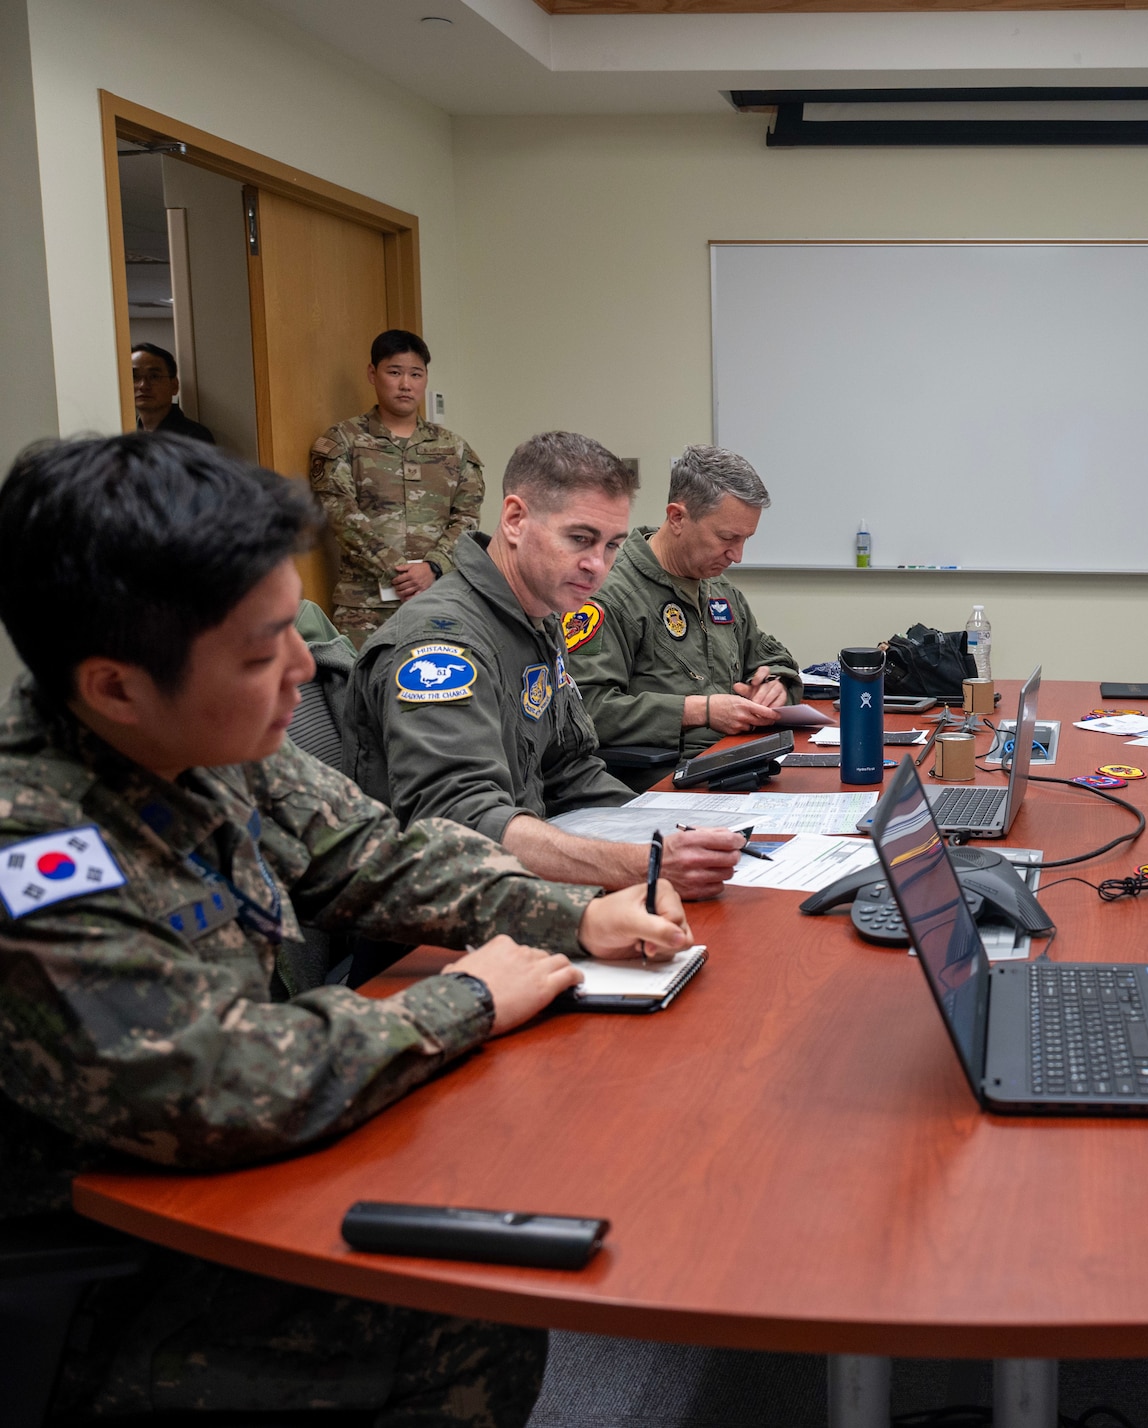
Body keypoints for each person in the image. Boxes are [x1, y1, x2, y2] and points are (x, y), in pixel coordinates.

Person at [0, 433, 692, 1425]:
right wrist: (464, 999)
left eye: (294, 628)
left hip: (244, 1185)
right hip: (136, 1261)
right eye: (259, 649)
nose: (302, 670)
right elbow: (210, 1079)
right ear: (116, 684)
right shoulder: (33, 850)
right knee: (466, 1305)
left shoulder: (206, 743)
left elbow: (374, 852)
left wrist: (576, 912)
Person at [349, 431, 743, 899]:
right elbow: (461, 822)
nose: (598, 565)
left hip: (520, 886)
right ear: (515, 519)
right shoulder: (440, 645)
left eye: (613, 545)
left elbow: (566, 767)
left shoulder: (535, 614)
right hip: (440, 920)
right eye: (580, 538)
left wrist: (664, 829)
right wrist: (646, 862)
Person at [568, 444, 801, 760]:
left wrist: (775, 681)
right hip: (659, 781)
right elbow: (584, 708)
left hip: (736, 760)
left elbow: (766, 653)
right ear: (677, 517)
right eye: (727, 538)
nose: (738, 555)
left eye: (746, 539)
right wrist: (697, 711)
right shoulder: (610, 596)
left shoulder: (719, 589)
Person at [308, 329, 484, 646]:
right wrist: (399, 571)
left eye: (415, 374)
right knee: (361, 693)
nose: (406, 384)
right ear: (373, 374)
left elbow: (468, 518)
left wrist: (433, 567)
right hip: (365, 610)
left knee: (439, 688)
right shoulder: (342, 441)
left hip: (441, 597)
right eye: (394, 372)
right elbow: (342, 515)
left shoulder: (453, 448)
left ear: (425, 378)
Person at [130, 342, 214, 443]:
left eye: (154, 376)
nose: (143, 385)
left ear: (174, 385)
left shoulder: (194, 437)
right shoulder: (125, 432)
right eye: (134, 377)